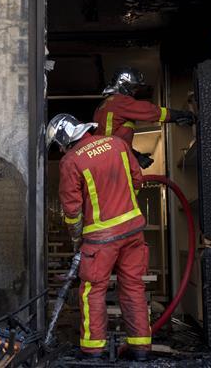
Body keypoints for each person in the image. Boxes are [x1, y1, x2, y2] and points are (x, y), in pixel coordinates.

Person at [46, 113, 152, 361]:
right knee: (134, 286)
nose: (60, 151)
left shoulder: (71, 160)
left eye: (59, 145)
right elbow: (137, 180)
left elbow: (71, 210)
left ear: (64, 139)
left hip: (100, 238)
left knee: (92, 290)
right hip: (134, 230)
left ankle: (93, 350)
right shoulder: (117, 144)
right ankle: (140, 348)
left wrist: (76, 238)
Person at [93, 67, 195, 167]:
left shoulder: (105, 105)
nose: (135, 92)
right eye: (133, 88)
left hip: (106, 159)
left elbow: (114, 139)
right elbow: (150, 111)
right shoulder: (119, 101)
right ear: (123, 85)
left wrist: (136, 156)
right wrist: (179, 115)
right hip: (111, 161)